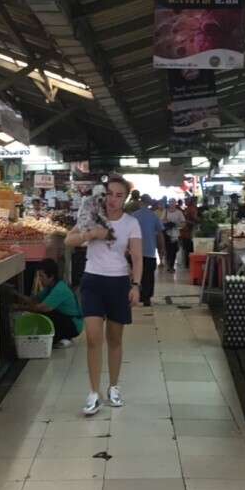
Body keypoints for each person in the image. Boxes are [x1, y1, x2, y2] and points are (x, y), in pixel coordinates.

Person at [64, 176, 143, 415]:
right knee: (93, 337)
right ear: (103, 194)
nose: (113, 199)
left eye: (119, 196)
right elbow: (68, 240)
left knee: (115, 339)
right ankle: (94, 392)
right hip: (92, 281)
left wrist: (136, 285)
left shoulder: (131, 223)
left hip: (118, 282)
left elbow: (138, 257)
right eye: (110, 193)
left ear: (125, 200)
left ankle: (113, 386)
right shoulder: (92, 216)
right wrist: (92, 234)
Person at [10, 258, 83, 348]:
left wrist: (19, 307)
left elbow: (42, 308)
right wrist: (16, 293)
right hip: (65, 319)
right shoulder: (49, 287)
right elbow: (34, 301)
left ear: (51, 276)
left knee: (45, 312)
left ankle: (66, 338)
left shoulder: (59, 289)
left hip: (73, 325)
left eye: (41, 276)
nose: (39, 279)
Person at [131, 193, 165, 306]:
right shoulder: (154, 216)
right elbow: (160, 233)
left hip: (135, 251)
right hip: (150, 251)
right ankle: (147, 298)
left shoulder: (134, 216)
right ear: (149, 203)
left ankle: (137, 295)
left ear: (141, 202)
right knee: (149, 276)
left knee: (137, 274)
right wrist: (162, 248)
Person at [162, 198, 186, 272]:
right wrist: (166, 222)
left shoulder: (179, 212)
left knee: (174, 249)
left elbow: (184, 223)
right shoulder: (165, 211)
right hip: (167, 233)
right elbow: (162, 220)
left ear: (175, 203)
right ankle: (169, 264)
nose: (172, 204)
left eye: (173, 202)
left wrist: (176, 225)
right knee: (168, 249)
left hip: (175, 234)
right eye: (170, 202)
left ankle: (171, 265)